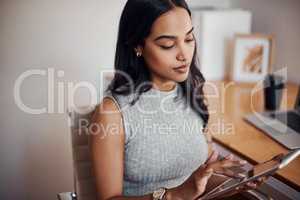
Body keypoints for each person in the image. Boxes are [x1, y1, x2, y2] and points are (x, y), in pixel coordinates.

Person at [90, 0, 264, 199]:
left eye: (189, 39)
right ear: (138, 46)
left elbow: (199, 178)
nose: (184, 55)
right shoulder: (112, 113)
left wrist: (238, 182)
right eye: (168, 45)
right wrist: (175, 195)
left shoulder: (192, 92)